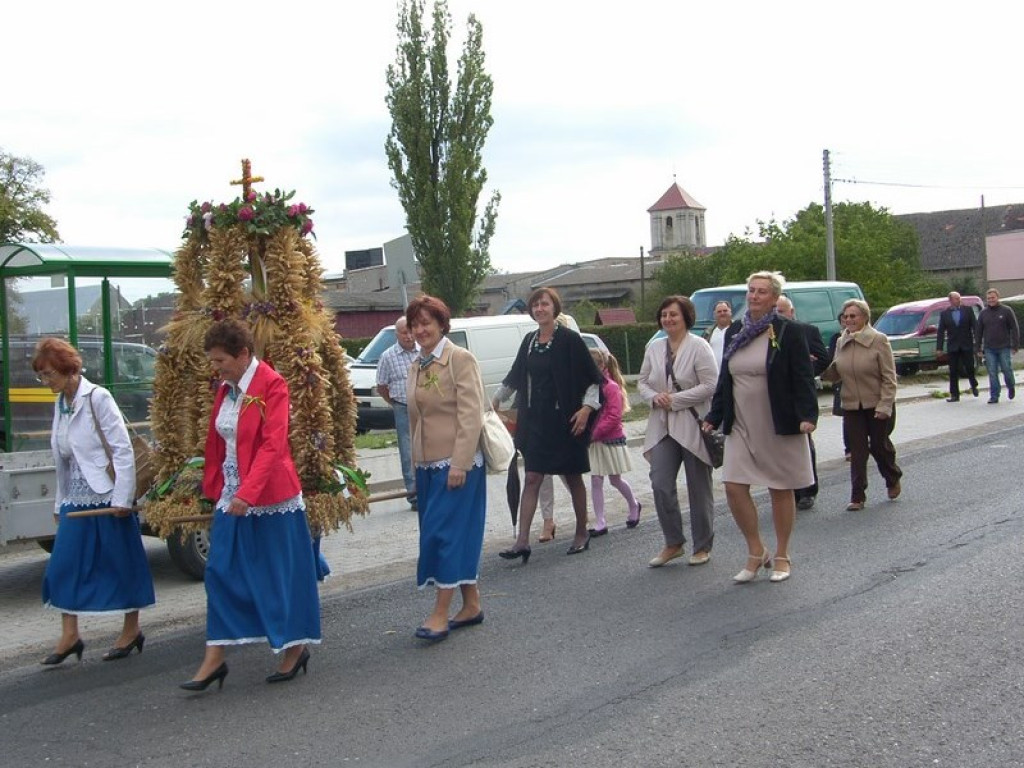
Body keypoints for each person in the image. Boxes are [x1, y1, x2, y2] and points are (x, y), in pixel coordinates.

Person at [181, 319, 321, 691]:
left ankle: (295, 647)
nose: (216, 368)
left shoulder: (272, 385)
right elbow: (220, 442)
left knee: (277, 576)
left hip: (270, 497)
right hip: (231, 495)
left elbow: (274, 446)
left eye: (220, 360)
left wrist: (249, 492)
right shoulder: (225, 388)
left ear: (243, 354)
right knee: (219, 574)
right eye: (213, 361)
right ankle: (215, 657)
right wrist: (219, 488)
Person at [33, 338, 155, 666]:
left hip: (107, 495)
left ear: (68, 369)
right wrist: (60, 504)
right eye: (42, 376)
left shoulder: (98, 397)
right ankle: (70, 635)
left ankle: (132, 630)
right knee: (63, 565)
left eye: (49, 375)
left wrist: (122, 498)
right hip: (77, 496)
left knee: (121, 562)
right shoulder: (61, 404)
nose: (46, 382)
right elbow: (63, 461)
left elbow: (122, 449)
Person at [703, 272, 817, 584]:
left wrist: (808, 414)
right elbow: (726, 377)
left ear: (773, 297)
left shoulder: (788, 332)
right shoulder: (736, 330)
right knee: (733, 486)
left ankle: (782, 554)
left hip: (777, 420)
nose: (753, 296)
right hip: (741, 422)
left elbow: (803, 376)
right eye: (751, 291)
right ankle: (756, 550)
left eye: (761, 292)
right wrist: (715, 414)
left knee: (781, 487)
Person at [493, 286, 604, 559]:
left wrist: (587, 409)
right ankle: (522, 541)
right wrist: (494, 401)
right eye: (535, 305)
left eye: (544, 304)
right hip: (536, 421)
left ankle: (581, 532)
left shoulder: (570, 340)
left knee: (572, 476)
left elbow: (593, 379)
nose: (539, 309)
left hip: (566, 420)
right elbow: (515, 375)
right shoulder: (530, 341)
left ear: (555, 308)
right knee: (532, 477)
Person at [405, 295, 487, 642]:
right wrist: (415, 464)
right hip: (427, 466)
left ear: (441, 324)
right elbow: (415, 418)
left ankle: (440, 613)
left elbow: (471, 415)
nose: (420, 330)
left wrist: (460, 463)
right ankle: (471, 604)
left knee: (444, 536)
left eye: (427, 323)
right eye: (415, 324)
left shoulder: (459, 359)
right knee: (448, 533)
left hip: (457, 466)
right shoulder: (416, 365)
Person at [639, 296, 718, 567]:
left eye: (673, 315)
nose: (668, 319)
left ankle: (702, 545)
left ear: (686, 317)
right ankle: (673, 542)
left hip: (693, 424)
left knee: (698, 488)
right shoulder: (654, 348)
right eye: (664, 315)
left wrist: (674, 400)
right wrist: (653, 397)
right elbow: (641, 382)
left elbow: (710, 385)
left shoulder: (699, 346)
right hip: (662, 426)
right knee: (660, 484)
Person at [822, 299, 903, 511]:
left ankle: (892, 477)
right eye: (845, 316)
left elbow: (889, 377)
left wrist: (885, 405)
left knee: (878, 446)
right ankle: (857, 496)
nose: (848, 320)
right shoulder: (841, 341)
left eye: (853, 316)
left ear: (865, 317)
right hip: (851, 405)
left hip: (876, 403)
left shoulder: (879, 340)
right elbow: (836, 371)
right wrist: (820, 370)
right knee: (857, 451)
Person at [775, 295, 831, 511]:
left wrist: (805, 373)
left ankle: (808, 490)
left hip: (798, 395)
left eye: (783, 310)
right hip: (776, 396)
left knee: (804, 444)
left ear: (792, 311)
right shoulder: (767, 331)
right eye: (776, 310)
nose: (779, 314)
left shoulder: (806, 330)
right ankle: (789, 489)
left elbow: (824, 358)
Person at [586, 350, 640, 537]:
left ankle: (633, 504)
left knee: (615, 479)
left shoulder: (611, 387)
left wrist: (595, 432)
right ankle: (600, 520)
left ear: (602, 366)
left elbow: (613, 415)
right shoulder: (588, 387)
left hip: (610, 439)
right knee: (596, 479)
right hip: (594, 440)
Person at [377, 316, 420, 509]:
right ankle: (414, 495)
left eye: (411, 331)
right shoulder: (387, 356)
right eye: (404, 332)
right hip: (402, 406)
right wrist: (394, 402)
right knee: (407, 449)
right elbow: (381, 386)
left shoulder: (423, 352)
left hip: (425, 406)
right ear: (397, 334)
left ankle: (429, 488)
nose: (409, 336)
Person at [975, 288, 1019, 404]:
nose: (991, 300)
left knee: (1006, 370)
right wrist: (978, 347)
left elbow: (1014, 328)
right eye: (988, 298)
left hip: (1004, 346)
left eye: (993, 298)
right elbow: (979, 331)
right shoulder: (983, 313)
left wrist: (1015, 345)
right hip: (989, 348)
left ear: (997, 297)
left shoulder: (1006, 311)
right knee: (992, 372)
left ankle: (1011, 386)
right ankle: (994, 395)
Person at [936, 291, 979, 402]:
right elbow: (941, 331)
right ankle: (954, 394)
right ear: (950, 300)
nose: (959, 300)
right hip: (953, 345)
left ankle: (973, 385)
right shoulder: (945, 314)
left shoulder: (968, 311)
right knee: (953, 370)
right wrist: (939, 348)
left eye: (959, 298)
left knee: (969, 367)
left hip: (966, 343)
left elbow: (975, 326)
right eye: (956, 298)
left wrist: (978, 343)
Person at [703, 300, 738, 370]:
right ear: (714, 315)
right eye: (719, 312)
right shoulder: (708, 333)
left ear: (730, 312)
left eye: (725, 311)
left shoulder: (738, 330)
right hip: (713, 375)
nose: (722, 313)